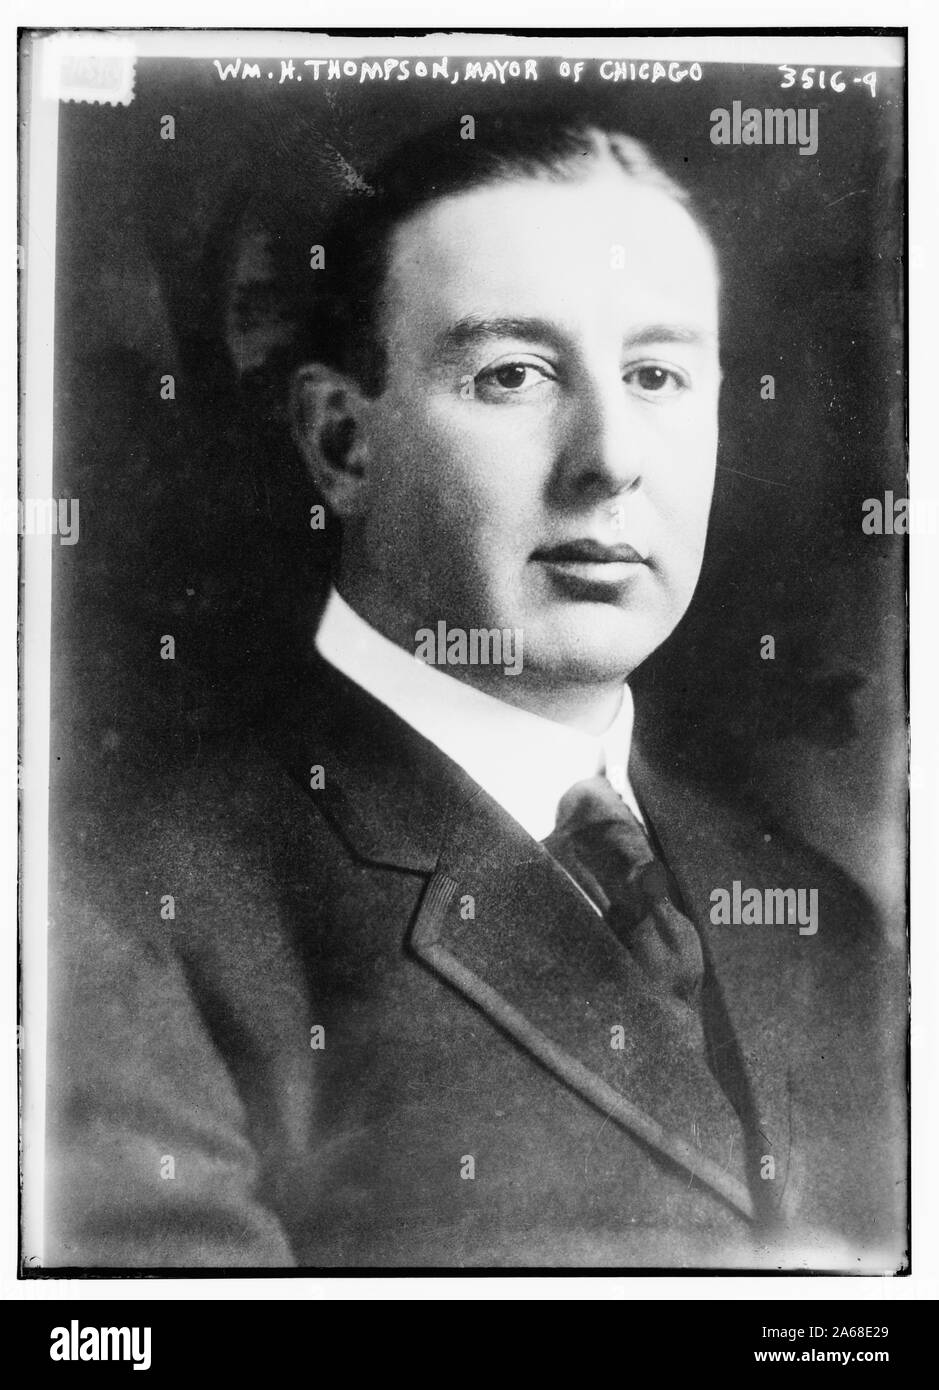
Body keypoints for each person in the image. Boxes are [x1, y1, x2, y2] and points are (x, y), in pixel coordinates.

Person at [44, 113, 906, 1270]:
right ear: (342, 444)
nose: (610, 458)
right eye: (513, 374)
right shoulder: (118, 910)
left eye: (656, 374)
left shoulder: (826, 922)